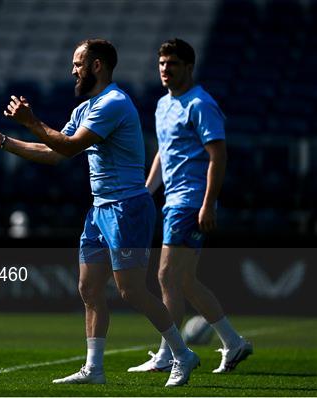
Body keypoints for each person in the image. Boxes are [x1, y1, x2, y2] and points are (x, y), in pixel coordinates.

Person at [0, 39, 199, 387]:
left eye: (78, 63)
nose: (72, 70)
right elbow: (55, 153)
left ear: (97, 66)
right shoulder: (87, 107)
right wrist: (5, 141)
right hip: (100, 208)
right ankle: (94, 369)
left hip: (126, 208)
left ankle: (182, 355)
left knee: (131, 291)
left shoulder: (114, 103)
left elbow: (70, 145)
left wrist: (31, 121)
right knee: (89, 288)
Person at [127, 38, 253, 375]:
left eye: (173, 64)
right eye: (162, 64)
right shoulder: (162, 105)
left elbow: (219, 155)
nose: (165, 70)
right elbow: (163, 153)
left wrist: (208, 203)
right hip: (173, 200)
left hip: (191, 200)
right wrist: (145, 191)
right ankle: (233, 341)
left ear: (188, 67)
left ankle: (169, 353)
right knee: (184, 282)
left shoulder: (201, 104)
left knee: (166, 276)